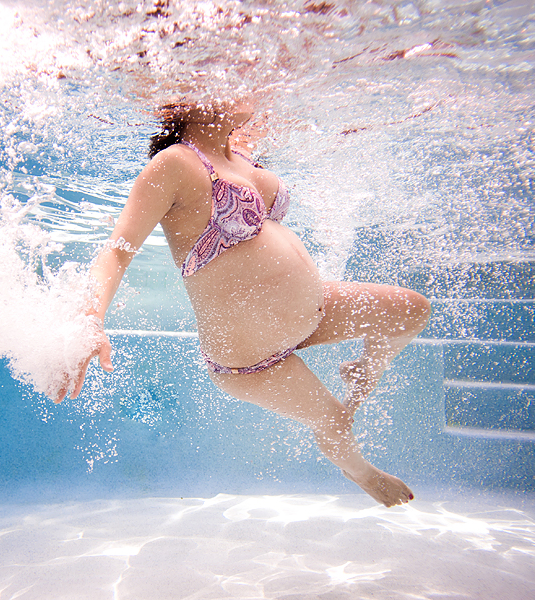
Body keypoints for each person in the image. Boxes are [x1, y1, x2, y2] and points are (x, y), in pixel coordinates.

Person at [53, 99, 432, 507]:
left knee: (412, 310)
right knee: (335, 419)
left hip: (313, 311)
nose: (245, 83)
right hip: (251, 357)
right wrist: (90, 319)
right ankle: (362, 473)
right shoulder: (175, 165)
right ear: (188, 101)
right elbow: (117, 251)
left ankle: (366, 369)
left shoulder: (243, 155)